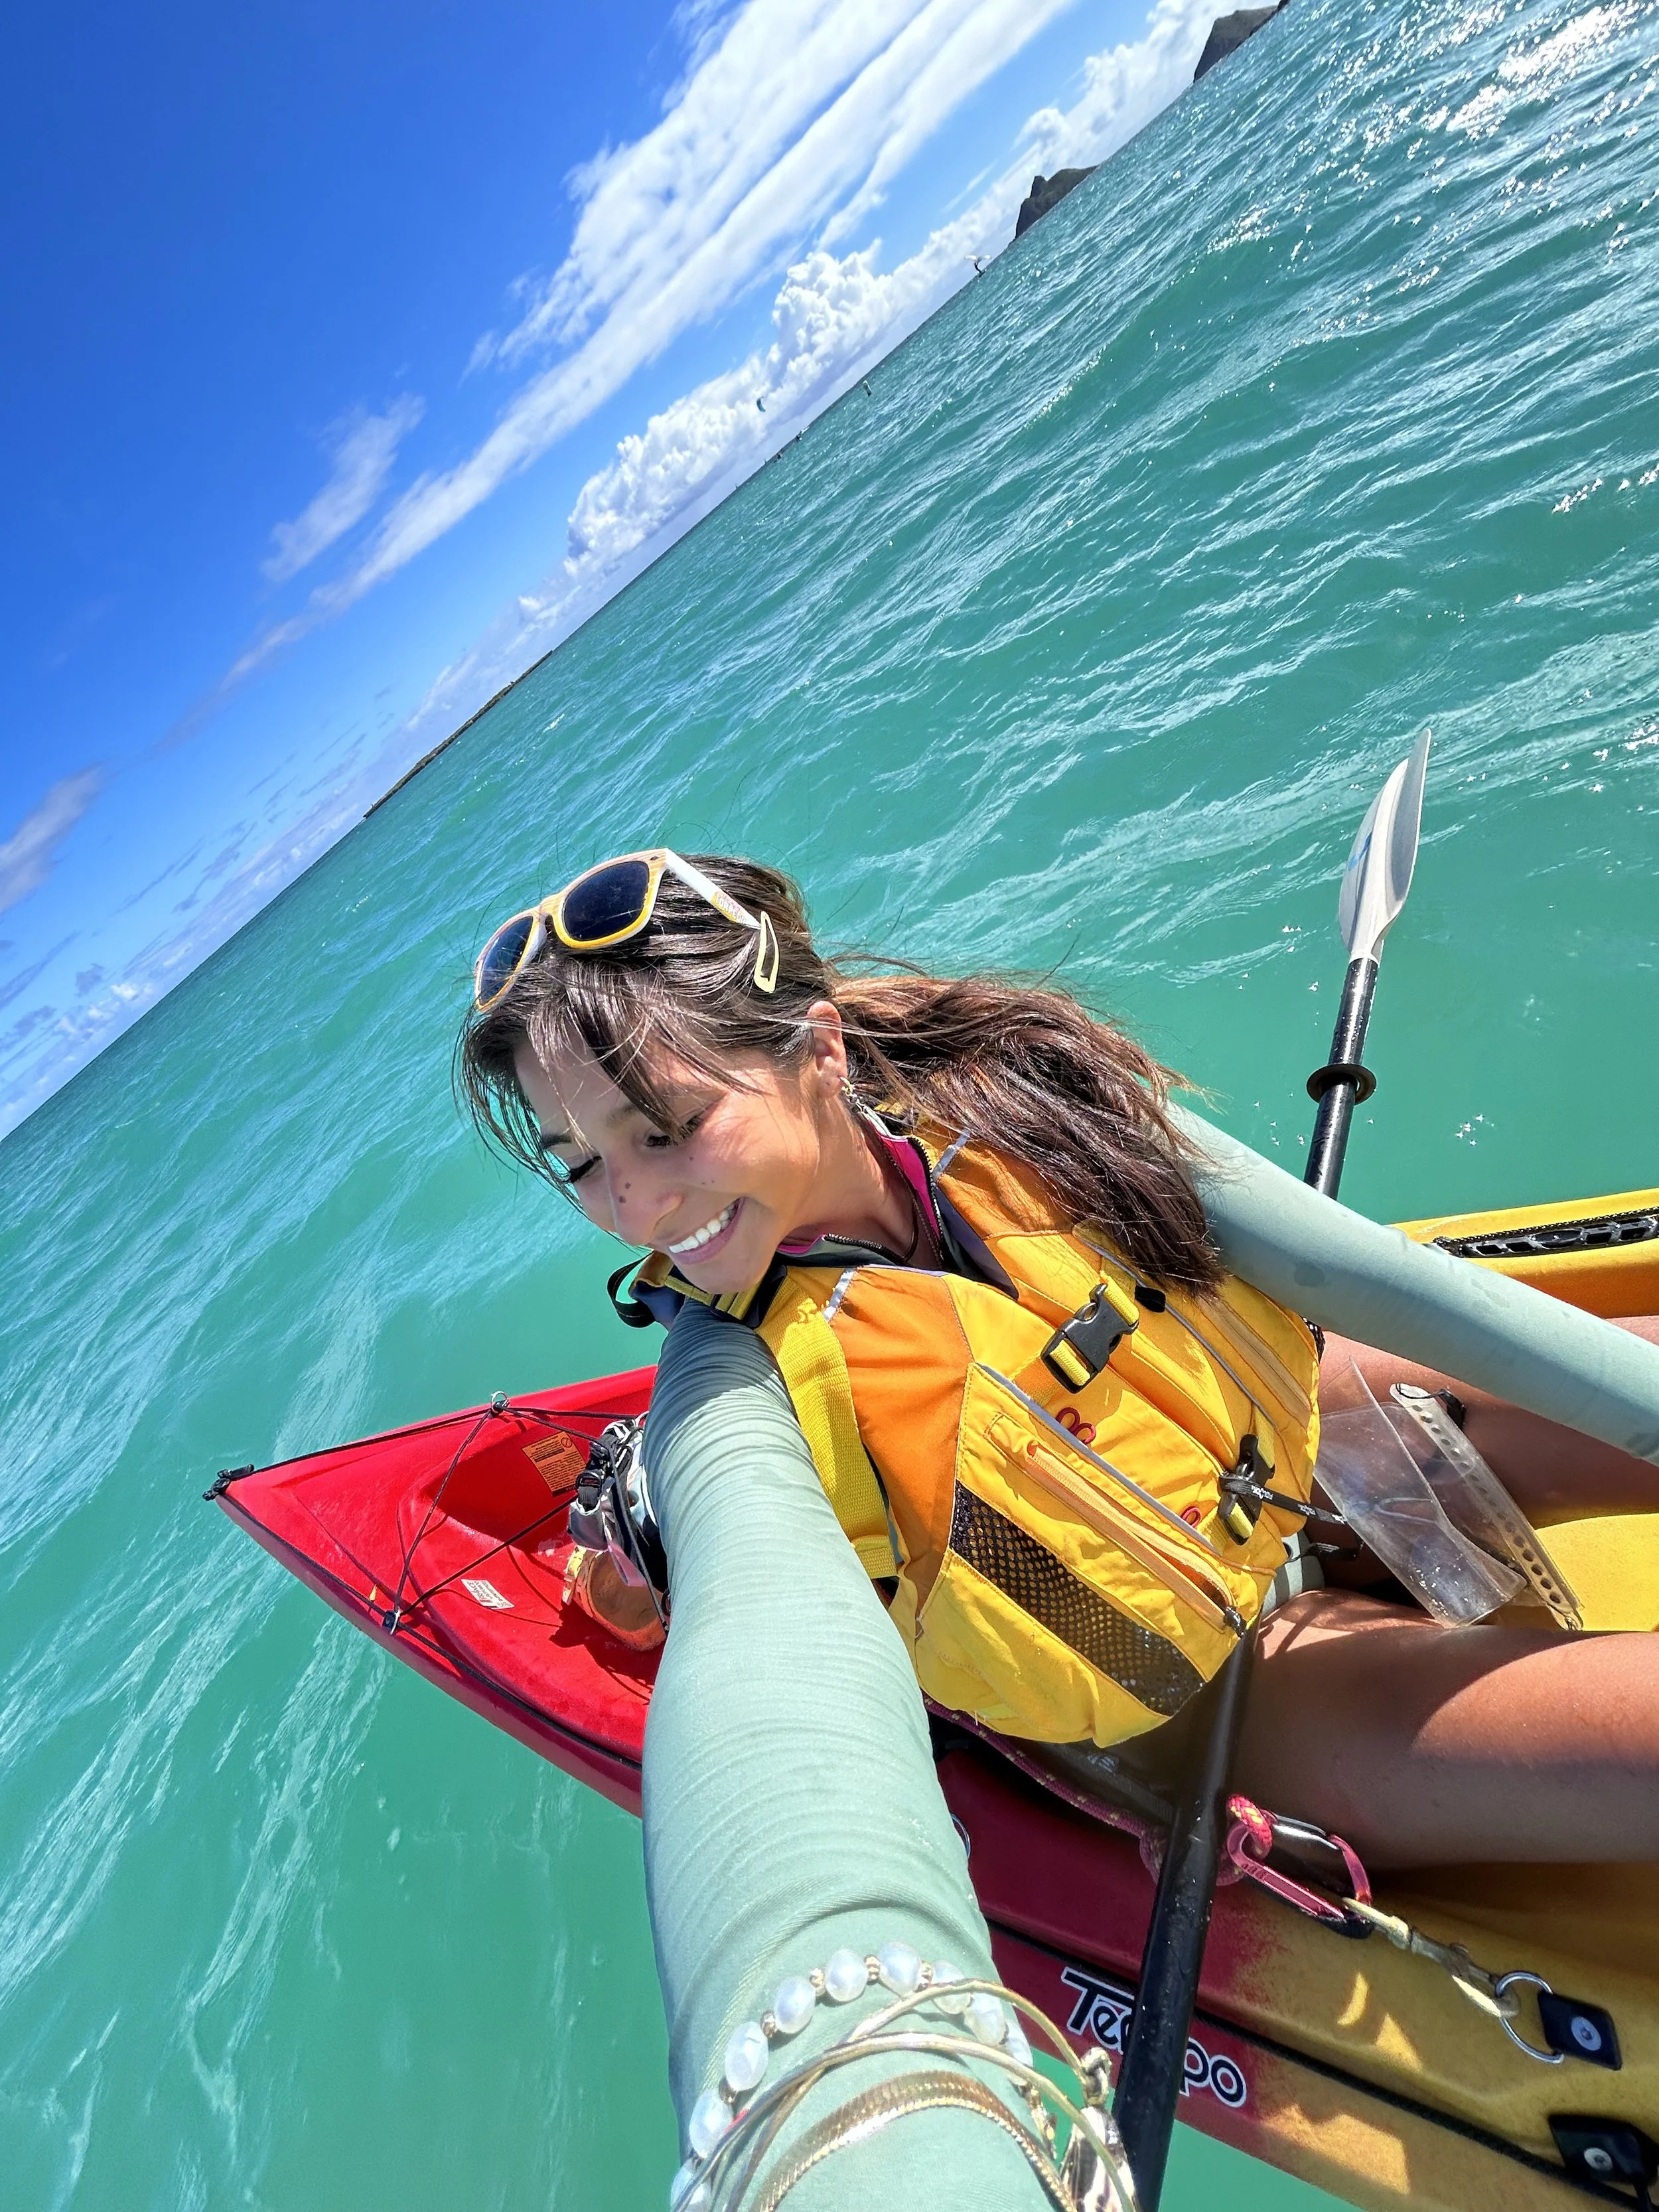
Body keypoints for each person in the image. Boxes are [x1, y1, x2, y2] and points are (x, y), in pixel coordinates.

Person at [457, 848, 1659, 1870]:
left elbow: (1374, 1285)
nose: (634, 1204)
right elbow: (753, 1632)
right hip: (1204, 1692)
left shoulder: (1002, 1098)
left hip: (1274, 1459)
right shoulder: (739, 1396)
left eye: (668, 1128)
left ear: (818, 1048)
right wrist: (651, 1556)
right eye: (578, 1164)